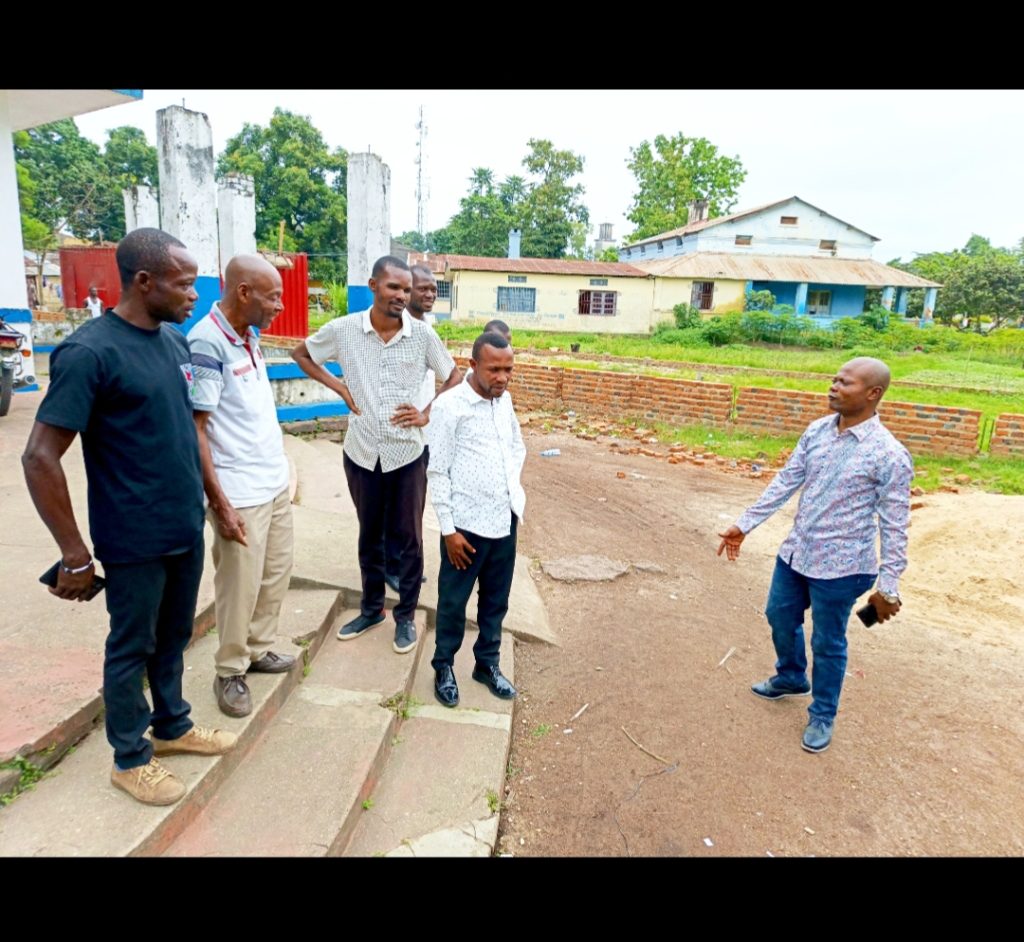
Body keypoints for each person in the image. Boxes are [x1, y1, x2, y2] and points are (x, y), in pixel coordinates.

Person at [22, 228, 236, 807]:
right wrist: (74, 554)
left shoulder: (173, 342)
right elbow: (39, 457)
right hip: (133, 536)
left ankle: (172, 727)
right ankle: (130, 758)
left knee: (173, 636)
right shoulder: (90, 353)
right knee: (131, 646)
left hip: (182, 526)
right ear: (145, 281)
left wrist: (213, 504)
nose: (194, 295)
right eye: (184, 283)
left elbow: (184, 432)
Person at [717, 357, 913, 754]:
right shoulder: (817, 431)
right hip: (796, 553)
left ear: (873, 393)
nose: (833, 387)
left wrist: (888, 586)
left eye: (845, 382)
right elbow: (786, 480)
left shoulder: (889, 455)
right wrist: (745, 524)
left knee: (827, 641)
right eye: (834, 379)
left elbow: (894, 524)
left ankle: (823, 714)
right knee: (778, 615)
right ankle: (791, 676)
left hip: (843, 569)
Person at [291, 256, 460, 655]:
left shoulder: (421, 336)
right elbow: (302, 354)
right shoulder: (345, 330)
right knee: (369, 536)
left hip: (407, 454)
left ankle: (405, 616)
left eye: (406, 289)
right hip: (362, 451)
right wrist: (340, 388)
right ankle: (371, 610)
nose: (401, 295)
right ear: (373, 286)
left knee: (409, 537)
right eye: (393, 287)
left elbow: (454, 375)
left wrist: (427, 412)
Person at [189, 255, 297, 719]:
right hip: (239, 492)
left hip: (272, 483)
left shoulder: (249, 336)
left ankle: (257, 648)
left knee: (275, 574)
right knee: (239, 585)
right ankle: (230, 670)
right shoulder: (206, 342)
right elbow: (197, 429)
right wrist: (220, 503)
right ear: (243, 292)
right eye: (273, 296)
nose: (279, 305)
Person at [428, 331, 525, 708]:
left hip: (504, 520)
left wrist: (510, 489)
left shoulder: (504, 401)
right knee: (453, 603)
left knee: (496, 602)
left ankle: (486, 664)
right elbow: (437, 471)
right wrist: (448, 530)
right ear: (473, 365)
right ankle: (443, 666)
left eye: (508, 369)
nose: (502, 377)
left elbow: (516, 445)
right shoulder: (450, 406)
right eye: (494, 369)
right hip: (464, 530)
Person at [383, 263, 440, 592]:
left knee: (413, 504)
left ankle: (405, 562)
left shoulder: (427, 326)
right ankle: (392, 566)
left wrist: (429, 416)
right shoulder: (395, 329)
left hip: (423, 435)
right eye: (423, 288)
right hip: (399, 433)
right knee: (396, 504)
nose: (430, 294)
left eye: (433, 289)